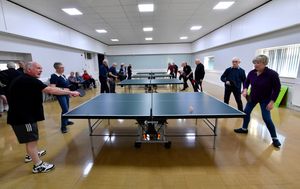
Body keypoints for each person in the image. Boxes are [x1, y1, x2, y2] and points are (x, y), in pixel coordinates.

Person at [7, 61, 79, 173]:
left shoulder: (23, 79)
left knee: (30, 139)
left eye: (41, 68)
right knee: (32, 139)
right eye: (38, 68)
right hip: (24, 117)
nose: (40, 70)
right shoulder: (29, 80)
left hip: (24, 115)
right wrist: (70, 92)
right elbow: (50, 89)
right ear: (29, 69)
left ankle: (30, 155)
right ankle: (38, 165)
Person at [234, 55, 282, 148]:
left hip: (266, 99)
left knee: (266, 118)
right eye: (254, 63)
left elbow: (277, 89)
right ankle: (244, 129)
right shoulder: (252, 72)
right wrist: (245, 89)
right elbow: (246, 81)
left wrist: (272, 102)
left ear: (264, 63)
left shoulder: (272, 74)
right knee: (246, 112)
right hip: (253, 97)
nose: (255, 65)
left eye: (258, 63)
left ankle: (275, 138)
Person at [50, 62, 74, 133]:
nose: (63, 69)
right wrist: (64, 89)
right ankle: (63, 127)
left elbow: (66, 85)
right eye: (61, 68)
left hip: (66, 94)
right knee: (65, 110)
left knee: (67, 108)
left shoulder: (63, 75)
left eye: (63, 67)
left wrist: (69, 92)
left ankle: (66, 121)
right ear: (56, 68)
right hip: (60, 95)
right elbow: (52, 87)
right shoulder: (54, 76)